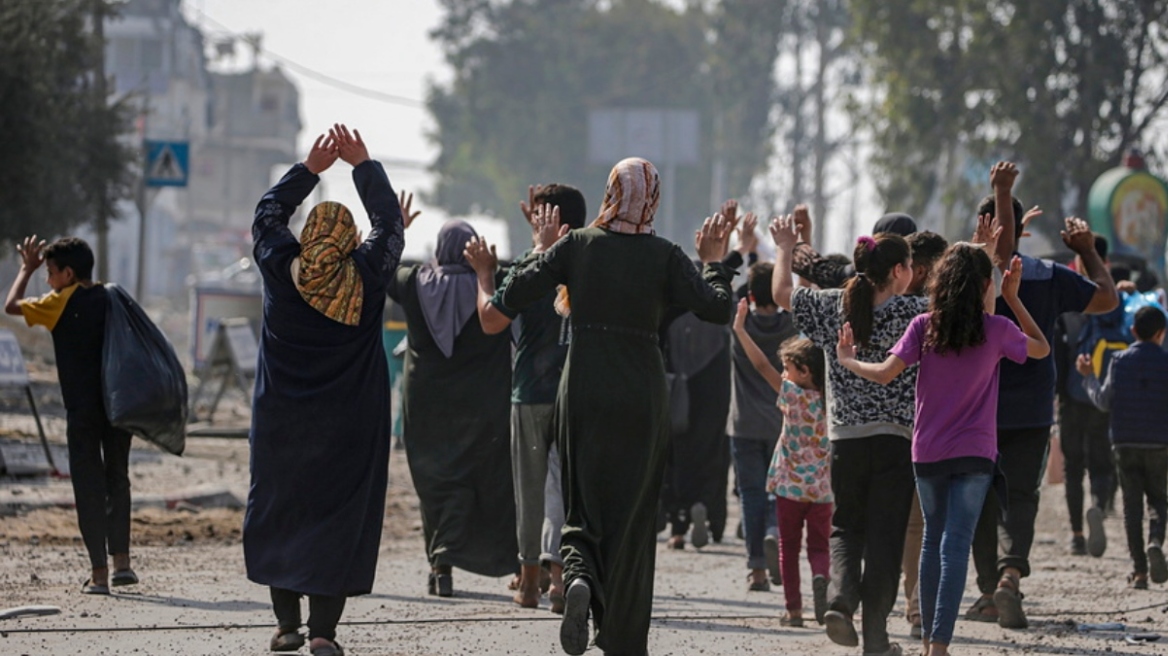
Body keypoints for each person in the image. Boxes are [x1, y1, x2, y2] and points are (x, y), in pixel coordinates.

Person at [496, 157, 734, 656]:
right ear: (653, 199)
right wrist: (715, 259)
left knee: (584, 500)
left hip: (583, 386)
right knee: (634, 513)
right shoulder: (666, 256)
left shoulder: (578, 245)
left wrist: (544, 250)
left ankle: (579, 576)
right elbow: (717, 308)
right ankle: (623, 636)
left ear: (609, 192)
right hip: (643, 394)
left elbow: (513, 293)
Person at [838, 244, 1049, 656]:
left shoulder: (924, 325)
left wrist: (848, 360)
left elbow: (884, 374)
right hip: (975, 455)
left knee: (933, 541)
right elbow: (1040, 347)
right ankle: (938, 646)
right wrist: (1014, 298)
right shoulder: (997, 329)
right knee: (955, 546)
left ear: (940, 282)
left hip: (928, 452)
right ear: (986, 286)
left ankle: (926, 637)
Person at [243, 124, 405, 656]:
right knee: (336, 518)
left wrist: (310, 170)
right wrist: (364, 167)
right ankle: (322, 633)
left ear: (309, 236)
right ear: (348, 241)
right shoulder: (368, 273)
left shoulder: (278, 267)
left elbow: (266, 216)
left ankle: (286, 626)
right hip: (348, 428)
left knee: (281, 511)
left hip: (281, 423)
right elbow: (390, 226)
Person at [771, 214, 926, 656]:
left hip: (845, 441)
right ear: (898, 271)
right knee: (885, 537)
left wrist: (785, 247)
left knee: (846, 528)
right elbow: (968, 310)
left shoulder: (831, 305)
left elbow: (781, 293)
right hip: (896, 440)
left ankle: (840, 600)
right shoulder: (913, 311)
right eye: (910, 265)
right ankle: (875, 635)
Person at [966, 182, 1118, 628]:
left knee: (978, 498)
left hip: (977, 408)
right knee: (1021, 496)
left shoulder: (962, 277)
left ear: (982, 226)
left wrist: (983, 243)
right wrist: (1088, 251)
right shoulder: (1048, 276)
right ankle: (1010, 576)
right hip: (1031, 408)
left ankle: (989, 591)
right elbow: (1107, 298)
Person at [464, 182, 587, 611]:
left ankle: (529, 583)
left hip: (531, 393)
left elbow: (491, 321)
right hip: (574, 392)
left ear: (551, 222)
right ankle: (559, 581)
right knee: (562, 489)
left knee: (530, 490)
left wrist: (484, 275)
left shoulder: (529, 268)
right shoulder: (588, 262)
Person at [389, 217, 518, 598]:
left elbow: (381, 267)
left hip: (427, 407)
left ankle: (440, 564)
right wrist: (489, 269)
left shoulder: (414, 283)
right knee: (483, 480)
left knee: (438, 483)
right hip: (485, 407)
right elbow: (535, 268)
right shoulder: (494, 285)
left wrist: (394, 226)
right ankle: (513, 562)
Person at [5, 236, 136, 596]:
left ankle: (99, 575)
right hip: (118, 406)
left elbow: (11, 306)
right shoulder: (114, 297)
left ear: (68, 273)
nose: (47, 280)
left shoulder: (59, 302)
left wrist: (25, 269)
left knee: (88, 487)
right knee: (117, 478)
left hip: (82, 410)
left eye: (49, 273)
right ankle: (123, 562)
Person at [733, 298, 831, 626]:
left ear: (803, 371)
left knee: (788, 549)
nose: (784, 373)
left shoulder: (791, 394)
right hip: (821, 491)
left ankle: (793, 610)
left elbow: (761, 366)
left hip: (789, 487)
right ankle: (821, 578)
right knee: (820, 548)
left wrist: (739, 329)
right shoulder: (831, 401)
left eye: (788, 368)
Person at [1078, 305, 1168, 589]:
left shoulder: (1118, 361)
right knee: (1158, 500)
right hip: (1159, 443)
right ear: (1161, 333)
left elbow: (1103, 401)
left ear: (1132, 331)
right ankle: (1156, 541)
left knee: (1131, 508)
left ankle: (1139, 572)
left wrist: (1088, 376)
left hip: (1124, 442)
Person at [727, 258, 798, 591]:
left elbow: (728, 293)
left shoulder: (740, 325)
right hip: (781, 424)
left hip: (743, 425)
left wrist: (744, 251)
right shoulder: (793, 327)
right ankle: (774, 537)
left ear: (751, 297)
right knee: (779, 494)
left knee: (751, 495)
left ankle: (756, 569)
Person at [1054, 236, 1120, 558]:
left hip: (1071, 392)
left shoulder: (1068, 296)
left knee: (1073, 467)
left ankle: (1078, 534)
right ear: (1103, 262)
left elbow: (1055, 351)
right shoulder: (1117, 298)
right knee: (1101, 462)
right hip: (1103, 391)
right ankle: (1098, 505)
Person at [900, 229, 949, 640]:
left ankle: (897, 604)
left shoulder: (877, 302)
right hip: (927, 432)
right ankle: (918, 609)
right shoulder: (938, 314)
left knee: (900, 525)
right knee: (924, 525)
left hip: (882, 430)